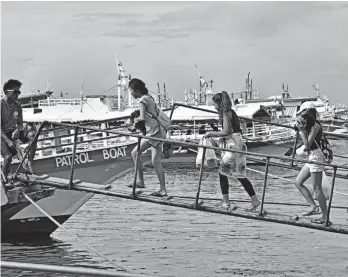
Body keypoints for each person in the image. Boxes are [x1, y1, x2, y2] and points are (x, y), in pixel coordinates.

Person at [204, 91, 260, 211]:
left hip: (233, 146)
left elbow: (226, 132)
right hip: (239, 144)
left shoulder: (225, 113)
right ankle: (254, 200)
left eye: (215, 104)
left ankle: (226, 202)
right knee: (239, 174)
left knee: (222, 172)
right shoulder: (231, 112)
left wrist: (210, 133)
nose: (214, 107)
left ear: (220, 103)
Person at [127, 78, 168, 196]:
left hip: (154, 132)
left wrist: (133, 123)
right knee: (156, 161)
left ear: (136, 90)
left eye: (131, 91)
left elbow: (142, 118)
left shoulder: (143, 100)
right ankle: (163, 189)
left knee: (135, 153)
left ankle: (140, 181)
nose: (131, 93)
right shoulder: (149, 97)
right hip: (158, 131)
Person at [294, 101, 328, 224]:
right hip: (311, 157)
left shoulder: (315, 126)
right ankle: (313, 206)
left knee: (317, 188)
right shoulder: (309, 124)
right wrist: (300, 126)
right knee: (298, 182)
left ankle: (325, 217)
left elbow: (307, 145)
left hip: (316, 157)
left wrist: (302, 130)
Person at [1, 79, 37, 181]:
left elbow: (20, 124)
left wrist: (18, 129)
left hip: (14, 131)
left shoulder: (17, 105)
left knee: (33, 135)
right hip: (2, 134)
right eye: (15, 92)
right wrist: (8, 141)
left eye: (19, 92)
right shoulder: (1, 105)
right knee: (8, 157)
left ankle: (29, 163)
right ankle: (5, 178)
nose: (17, 94)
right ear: (6, 92)